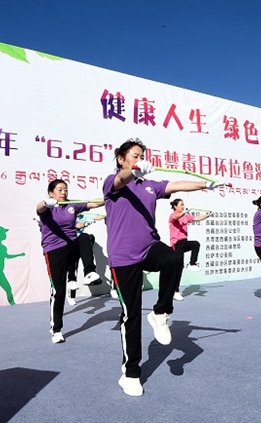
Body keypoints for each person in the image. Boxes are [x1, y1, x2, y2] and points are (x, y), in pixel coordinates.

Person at [104, 138, 227, 397]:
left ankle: (160, 312)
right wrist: (133, 170)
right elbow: (121, 180)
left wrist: (205, 185)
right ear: (121, 159)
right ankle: (130, 373)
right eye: (134, 156)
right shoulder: (112, 182)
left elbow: (177, 184)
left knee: (173, 259)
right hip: (123, 256)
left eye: (141, 156)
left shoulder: (150, 186)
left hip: (149, 246)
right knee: (131, 315)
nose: (139, 160)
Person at [37, 180, 104, 344]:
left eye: (65, 190)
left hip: (71, 245)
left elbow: (94, 204)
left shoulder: (71, 205)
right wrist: (45, 203)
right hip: (54, 250)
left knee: (85, 237)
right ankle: (56, 329)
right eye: (59, 189)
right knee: (58, 291)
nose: (63, 192)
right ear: (51, 192)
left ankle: (89, 272)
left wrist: (114, 195)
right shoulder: (48, 208)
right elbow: (39, 208)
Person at [169, 198, 210, 300]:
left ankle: (192, 263)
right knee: (179, 268)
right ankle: (175, 291)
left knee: (195, 244)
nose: (183, 206)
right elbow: (176, 217)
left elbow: (196, 218)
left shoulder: (185, 216)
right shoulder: (173, 215)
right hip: (176, 244)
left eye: (183, 204)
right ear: (175, 206)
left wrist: (207, 216)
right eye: (181, 205)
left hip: (184, 242)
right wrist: (184, 212)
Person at [66, 212, 105, 305]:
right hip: (68, 245)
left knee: (86, 237)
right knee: (72, 266)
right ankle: (71, 291)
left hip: (80, 244)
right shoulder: (66, 216)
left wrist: (111, 212)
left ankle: (89, 272)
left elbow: (98, 216)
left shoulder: (83, 216)